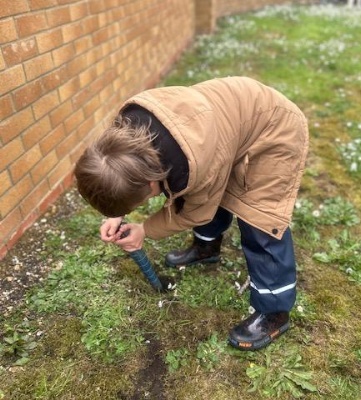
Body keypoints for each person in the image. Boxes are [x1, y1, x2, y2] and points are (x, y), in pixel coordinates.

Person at [74, 76, 309, 351]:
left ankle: (274, 311)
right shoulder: (122, 140)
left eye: (141, 201)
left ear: (149, 182)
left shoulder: (193, 166)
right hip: (226, 128)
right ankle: (206, 248)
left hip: (274, 130)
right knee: (206, 191)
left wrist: (144, 230)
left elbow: (194, 212)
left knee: (259, 219)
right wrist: (118, 213)